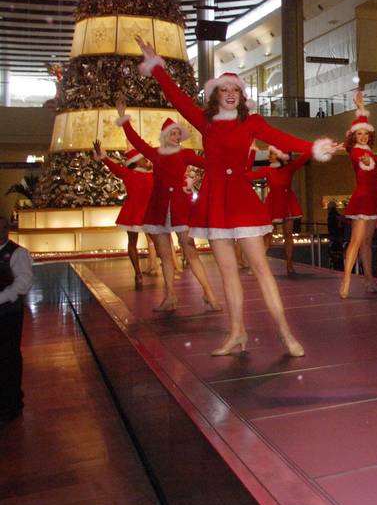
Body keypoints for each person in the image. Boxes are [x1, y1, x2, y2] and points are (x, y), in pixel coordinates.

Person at [135, 35, 339, 357]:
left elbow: (280, 137)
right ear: (215, 95)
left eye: (235, 91)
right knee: (228, 274)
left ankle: (285, 333)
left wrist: (314, 147)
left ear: (242, 97)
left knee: (259, 268)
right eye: (224, 90)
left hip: (242, 202)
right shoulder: (205, 122)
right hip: (215, 202)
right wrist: (157, 66)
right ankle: (236, 333)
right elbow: (176, 97)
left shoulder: (251, 123)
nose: (230, 95)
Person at [115, 101, 221, 313]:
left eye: (177, 134)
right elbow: (135, 140)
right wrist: (123, 116)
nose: (175, 137)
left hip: (180, 208)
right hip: (159, 208)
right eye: (172, 134)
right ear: (164, 136)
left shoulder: (186, 154)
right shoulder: (155, 153)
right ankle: (170, 296)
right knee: (165, 255)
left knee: (190, 250)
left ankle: (209, 293)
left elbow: (211, 164)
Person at [339, 91, 377, 297]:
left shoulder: (369, 150)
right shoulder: (356, 152)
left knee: (368, 242)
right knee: (356, 241)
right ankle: (346, 280)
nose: (363, 136)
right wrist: (367, 162)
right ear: (354, 136)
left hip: (374, 198)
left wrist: (361, 106)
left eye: (365, 133)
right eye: (359, 133)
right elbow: (363, 162)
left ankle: (369, 281)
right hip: (362, 199)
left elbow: (363, 121)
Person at [94, 141, 157, 288]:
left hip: (135, 212)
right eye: (143, 159)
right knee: (153, 242)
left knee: (135, 243)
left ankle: (141, 272)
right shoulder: (146, 175)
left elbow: (112, 166)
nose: (146, 161)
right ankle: (141, 271)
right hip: (143, 212)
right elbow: (112, 166)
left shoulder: (133, 174)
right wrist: (103, 156)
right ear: (136, 162)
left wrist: (102, 155)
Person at [249, 146, 310, 276]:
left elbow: (303, 158)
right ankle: (257, 265)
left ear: (279, 155)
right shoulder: (267, 169)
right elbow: (249, 176)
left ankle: (289, 264)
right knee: (267, 235)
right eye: (269, 154)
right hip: (273, 204)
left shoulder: (289, 168)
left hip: (287, 203)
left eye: (272, 153)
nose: (269, 156)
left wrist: (312, 147)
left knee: (288, 235)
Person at [0, 216, 32, 422]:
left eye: (3, 227)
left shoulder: (17, 253)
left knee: (8, 356)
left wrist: (2, 297)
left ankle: (11, 403)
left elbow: (23, 283)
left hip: (8, 312)